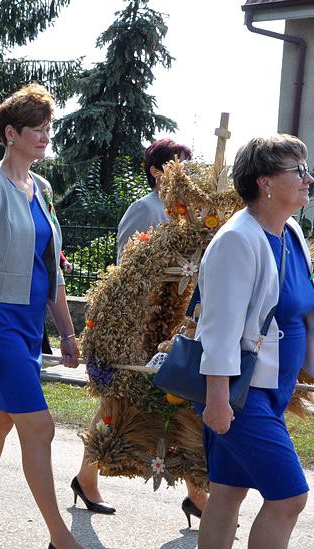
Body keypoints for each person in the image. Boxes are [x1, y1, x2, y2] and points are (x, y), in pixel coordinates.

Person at [0, 83, 110, 549]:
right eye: (36, 128)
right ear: (10, 133)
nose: (45, 135)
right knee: (37, 426)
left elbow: (52, 269)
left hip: (28, 324)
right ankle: (61, 539)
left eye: (49, 126)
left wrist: (66, 329)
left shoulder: (39, 189)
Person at [188, 134, 314, 549]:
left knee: (227, 491)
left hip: (269, 389)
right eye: (297, 169)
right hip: (240, 396)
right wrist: (217, 402)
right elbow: (217, 328)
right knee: (289, 497)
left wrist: (308, 366)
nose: (308, 177)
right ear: (265, 182)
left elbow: (299, 309)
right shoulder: (237, 241)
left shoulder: (291, 232)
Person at [73, 138, 208, 522]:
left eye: (189, 165)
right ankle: (86, 478)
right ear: (156, 170)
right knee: (121, 405)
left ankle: (198, 498)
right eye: (179, 165)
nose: (187, 173)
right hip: (144, 325)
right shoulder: (144, 209)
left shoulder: (189, 214)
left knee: (181, 401)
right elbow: (126, 268)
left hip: (179, 321)